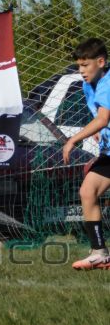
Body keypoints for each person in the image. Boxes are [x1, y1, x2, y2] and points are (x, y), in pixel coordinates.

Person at [62, 38, 110, 270]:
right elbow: (99, 118)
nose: (81, 71)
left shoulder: (108, 83)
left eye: (85, 65)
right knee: (87, 192)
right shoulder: (87, 85)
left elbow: (102, 119)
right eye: (78, 66)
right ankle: (99, 253)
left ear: (101, 62)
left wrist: (73, 139)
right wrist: (98, 132)